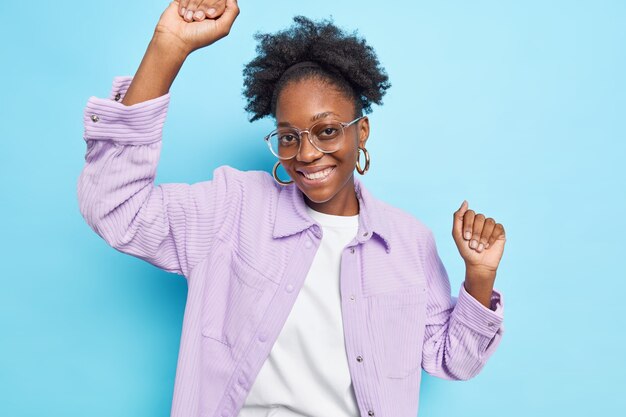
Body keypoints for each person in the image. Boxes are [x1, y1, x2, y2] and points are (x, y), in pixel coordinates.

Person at [77, 1, 507, 416]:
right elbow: (116, 207)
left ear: (363, 131)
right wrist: (168, 47)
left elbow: (454, 360)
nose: (306, 153)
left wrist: (480, 276)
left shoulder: (408, 243)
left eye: (327, 130)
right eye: (288, 136)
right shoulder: (233, 207)